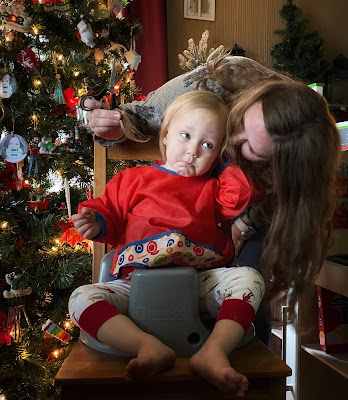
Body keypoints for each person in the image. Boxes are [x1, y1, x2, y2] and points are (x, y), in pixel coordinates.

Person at [82, 55, 341, 337]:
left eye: (247, 147)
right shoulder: (226, 77)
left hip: (220, 241)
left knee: (251, 299)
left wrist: (242, 227)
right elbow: (139, 116)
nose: (229, 141)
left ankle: (223, 356)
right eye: (239, 122)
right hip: (141, 269)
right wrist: (116, 122)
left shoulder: (282, 176)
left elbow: (250, 214)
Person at [70, 91, 265, 396]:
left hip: (199, 284)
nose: (192, 152)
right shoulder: (132, 179)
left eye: (207, 145)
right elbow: (109, 210)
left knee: (250, 279)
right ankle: (145, 346)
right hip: (134, 285)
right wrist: (95, 221)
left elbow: (240, 193)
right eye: (186, 136)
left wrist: (221, 163)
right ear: (165, 135)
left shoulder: (212, 186)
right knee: (81, 299)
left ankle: (214, 350)